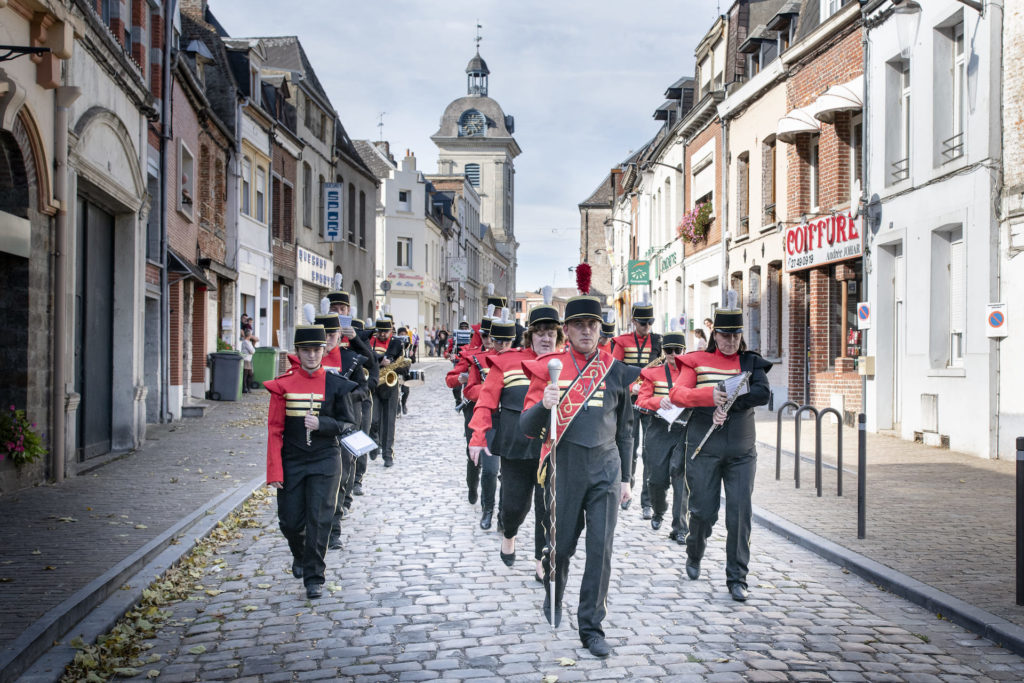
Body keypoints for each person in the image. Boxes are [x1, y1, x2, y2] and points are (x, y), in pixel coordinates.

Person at [520, 295, 634, 659]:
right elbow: (526, 427)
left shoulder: (615, 370)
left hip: (606, 469)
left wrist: (627, 478)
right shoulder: (548, 368)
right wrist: (544, 404)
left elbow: (627, 429)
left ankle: (591, 627)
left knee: (600, 550)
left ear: (601, 330)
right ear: (565, 331)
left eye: (593, 325)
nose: (587, 331)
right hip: (564, 469)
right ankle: (553, 597)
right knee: (562, 547)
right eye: (579, 325)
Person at [668, 303, 772, 602]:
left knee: (740, 514)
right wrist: (709, 397)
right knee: (703, 512)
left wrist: (728, 403)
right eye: (725, 336)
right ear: (715, 334)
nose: (730, 342)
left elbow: (762, 393)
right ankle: (695, 550)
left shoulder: (750, 362)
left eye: (736, 336)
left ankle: (737, 577)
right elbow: (677, 395)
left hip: (741, 450)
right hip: (704, 448)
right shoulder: (697, 361)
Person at [263, 324, 359, 599]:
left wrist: (323, 423)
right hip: (292, 461)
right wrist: (274, 471)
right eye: (306, 350)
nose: (312, 355)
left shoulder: (335, 383)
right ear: (297, 351)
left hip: (326, 459)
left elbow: (348, 423)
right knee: (290, 522)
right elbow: (274, 430)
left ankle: (314, 576)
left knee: (319, 518)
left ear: (323, 350)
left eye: (317, 349)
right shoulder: (283, 385)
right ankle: (301, 554)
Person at [469, 303, 561, 582]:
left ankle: (541, 559)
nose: (546, 338)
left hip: (552, 450)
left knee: (549, 509)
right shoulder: (507, 362)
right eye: (540, 332)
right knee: (513, 507)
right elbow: (486, 401)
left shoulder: (567, 362)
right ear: (530, 335)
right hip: (516, 447)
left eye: (551, 333)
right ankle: (508, 533)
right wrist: (477, 436)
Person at [633, 332, 688, 538]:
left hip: (683, 430)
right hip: (658, 428)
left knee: (680, 477)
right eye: (668, 350)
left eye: (677, 350)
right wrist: (658, 402)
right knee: (656, 479)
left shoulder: (692, 372)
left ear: (684, 350)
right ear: (663, 351)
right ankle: (658, 510)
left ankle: (680, 528)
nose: (673, 354)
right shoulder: (653, 373)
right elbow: (640, 400)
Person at [610, 303, 662, 520]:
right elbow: (615, 371)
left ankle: (647, 503)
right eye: (643, 323)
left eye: (650, 323)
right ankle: (625, 490)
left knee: (650, 453)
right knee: (628, 449)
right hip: (629, 403)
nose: (647, 327)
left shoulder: (658, 341)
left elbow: (662, 370)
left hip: (649, 402)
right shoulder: (621, 342)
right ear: (633, 322)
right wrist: (632, 387)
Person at [327, 290, 378, 491]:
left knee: (354, 440)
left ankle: (353, 483)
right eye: (334, 309)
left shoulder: (357, 334)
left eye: (343, 309)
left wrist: (355, 338)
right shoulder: (324, 332)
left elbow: (372, 363)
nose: (339, 313)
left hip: (355, 397)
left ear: (349, 310)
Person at [464, 315, 510, 529]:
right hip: (489, 418)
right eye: (498, 341)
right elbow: (470, 389)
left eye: (507, 341)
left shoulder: (518, 361)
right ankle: (488, 509)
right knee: (490, 470)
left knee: (508, 473)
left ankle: (504, 514)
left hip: (510, 420)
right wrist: (491, 390)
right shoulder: (480, 360)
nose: (502, 346)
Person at [446, 317, 492, 506]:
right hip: (474, 408)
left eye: (492, 336)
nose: (489, 340)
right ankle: (472, 486)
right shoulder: (470, 355)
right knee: (473, 452)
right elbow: (450, 380)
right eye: (485, 336)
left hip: (498, 409)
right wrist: (462, 378)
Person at [369, 319, 406, 467]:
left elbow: (404, 366)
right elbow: (365, 360)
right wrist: (379, 363)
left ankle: (387, 454)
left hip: (390, 384)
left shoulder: (397, 344)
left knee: (389, 422)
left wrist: (393, 366)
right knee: (374, 419)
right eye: (380, 331)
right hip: (374, 384)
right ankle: (374, 443)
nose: (383, 334)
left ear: (391, 331)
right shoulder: (369, 342)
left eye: (386, 331)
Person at [239, 329, 256, 393]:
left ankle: (247, 387)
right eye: (251, 334)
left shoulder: (249, 342)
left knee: (250, 374)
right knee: (246, 374)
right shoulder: (245, 342)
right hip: (246, 359)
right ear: (249, 335)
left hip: (249, 359)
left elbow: (253, 350)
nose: (251, 336)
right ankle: (245, 388)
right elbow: (252, 351)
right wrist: (253, 350)